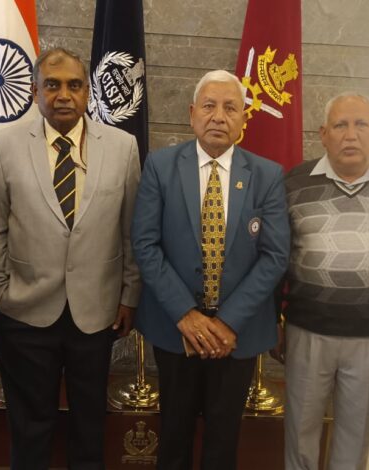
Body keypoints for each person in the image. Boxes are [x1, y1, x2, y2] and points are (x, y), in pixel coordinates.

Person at [0, 47, 141, 470]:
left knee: (89, 424)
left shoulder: (123, 147)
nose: (63, 95)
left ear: (88, 92)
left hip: (97, 311)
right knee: (30, 425)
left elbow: (131, 229)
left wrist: (129, 295)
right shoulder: (3, 147)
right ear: (35, 92)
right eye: (52, 85)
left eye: (74, 85)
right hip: (24, 311)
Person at [131, 69, 290, 470]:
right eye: (209, 106)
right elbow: (145, 244)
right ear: (192, 114)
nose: (219, 116)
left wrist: (228, 322)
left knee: (223, 438)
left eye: (230, 108)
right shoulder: (160, 166)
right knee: (174, 435)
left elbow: (274, 255)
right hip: (175, 328)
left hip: (238, 333)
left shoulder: (267, 175)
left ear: (243, 118)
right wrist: (186, 315)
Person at [279, 92, 369, 470]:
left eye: (361, 125)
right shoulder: (294, 183)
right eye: (340, 125)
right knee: (300, 436)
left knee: (354, 442)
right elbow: (277, 256)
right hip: (308, 332)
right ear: (323, 134)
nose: (351, 134)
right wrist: (273, 318)